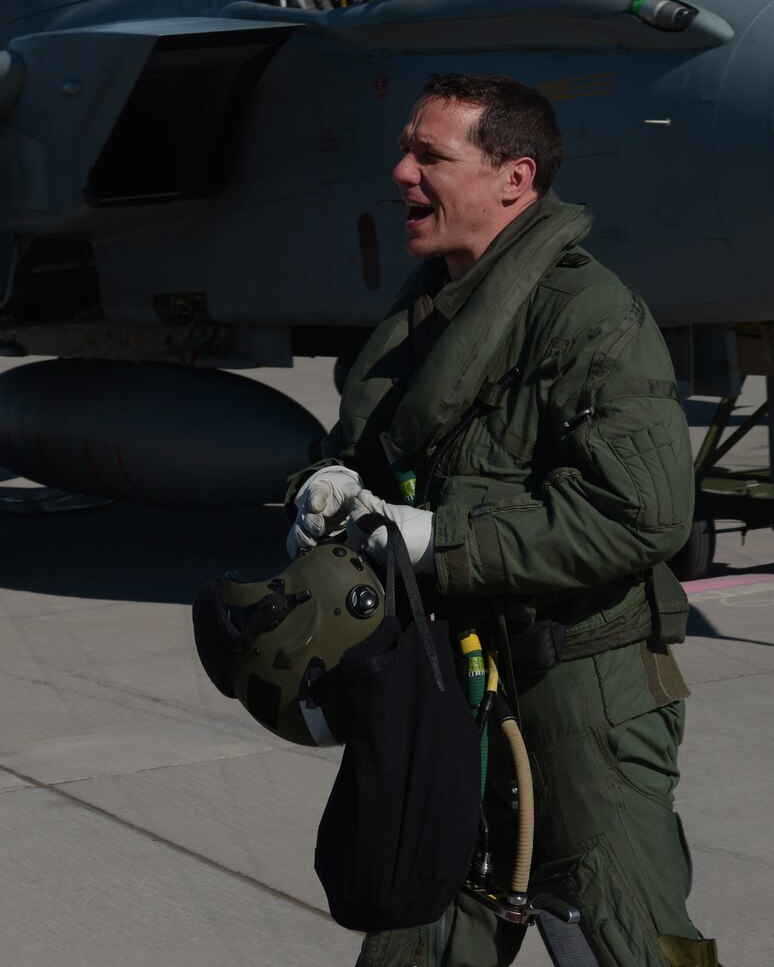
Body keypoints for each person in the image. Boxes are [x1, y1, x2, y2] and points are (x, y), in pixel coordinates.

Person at [285, 74, 717, 966]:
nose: (400, 172)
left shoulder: (587, 318)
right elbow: (377, 450)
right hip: (449, 703)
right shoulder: (426, 317)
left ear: (514, 177)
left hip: (581, 708)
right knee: (412, 935)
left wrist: (439, 541)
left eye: (430, 155)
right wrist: (324, 485)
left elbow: (643, 513)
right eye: (406, 149)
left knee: (627, 943)